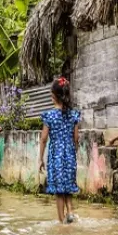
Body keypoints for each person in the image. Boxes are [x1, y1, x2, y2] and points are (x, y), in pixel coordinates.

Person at [39, 76, 81, 224]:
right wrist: (74, 151)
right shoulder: (74, 115)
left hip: (55, 156)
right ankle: (70, 212)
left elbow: (44, 139)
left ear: (53, 96)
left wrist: (40, 159)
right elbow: (76, 138)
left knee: (58, 190)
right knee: (68, 187)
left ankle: (62, 221)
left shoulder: (49, 116)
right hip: (69, 155)